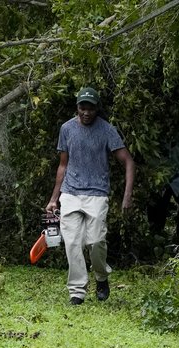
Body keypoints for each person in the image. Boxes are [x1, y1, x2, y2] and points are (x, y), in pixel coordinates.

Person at [45, 87, 134, 304]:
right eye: (82, 107)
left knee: (96, 241)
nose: (86, 112)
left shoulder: (106, 130)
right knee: (72, 243)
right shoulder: (67, 128)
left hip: (97, 193)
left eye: (90, 108)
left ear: (97, 109)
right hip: (70, 193)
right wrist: (53, 198)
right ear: (77, 107)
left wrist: (127, 196)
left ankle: (101, 277)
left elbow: (129, 161)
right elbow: (63, 165)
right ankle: (77, 291)